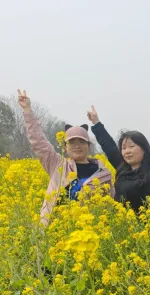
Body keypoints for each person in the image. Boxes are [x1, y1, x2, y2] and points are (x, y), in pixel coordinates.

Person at [17, 89, 113, 225]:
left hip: (88, 232)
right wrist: (27, 111)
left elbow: (109, 207)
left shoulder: (102, 173)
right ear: (64, 147)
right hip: (54, 230)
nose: (77, 146)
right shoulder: (57, 165)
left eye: (81, 142)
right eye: (72, 142)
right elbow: (39, 142)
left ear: (89, 146)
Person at [87, 106, 150, 212]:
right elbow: (109, 147)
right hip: (120, 220)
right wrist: (96, 123)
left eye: (131, 146)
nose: (127, 151)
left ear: (144, 149)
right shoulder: (123, 169)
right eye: (124, 148)